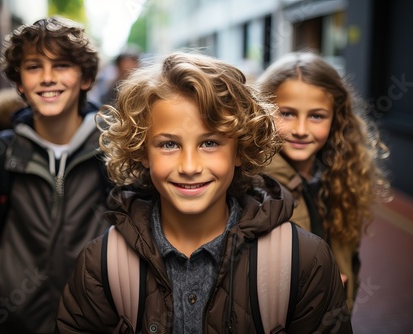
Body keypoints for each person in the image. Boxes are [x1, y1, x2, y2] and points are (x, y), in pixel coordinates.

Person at [56, 52, 352, 333]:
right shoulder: (101, 264)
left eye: (210, 143)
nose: (189, 166)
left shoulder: (305, 261)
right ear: (142, 151)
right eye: (169, 144)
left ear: (240, 149)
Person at [0, 17, 110, 333]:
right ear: (18, 84)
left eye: (62, 65)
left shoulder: (115, 152)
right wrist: (0, 277)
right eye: (33, 67)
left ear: (85, 78)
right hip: (19, 320)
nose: (47, 78)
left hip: (97, 321)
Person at [257, 51, 391, 311]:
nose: (301, 129)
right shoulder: (255, 187)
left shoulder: (341, 176)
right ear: (263, 112)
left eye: (316, 116)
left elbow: (349, 259)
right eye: (286, 114)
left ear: (336, 118)